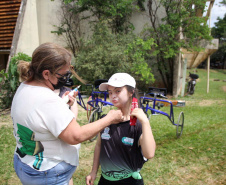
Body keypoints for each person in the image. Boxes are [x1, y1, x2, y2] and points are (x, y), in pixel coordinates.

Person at [11, 42, 123, 185]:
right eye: (63, 74)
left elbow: (40, 117)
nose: (66, 78)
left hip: (26, 162)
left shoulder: (25, 86)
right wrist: (109, 118)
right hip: (47, 172)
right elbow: (76, 136)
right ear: (46, 74)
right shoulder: (48, 100)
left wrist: (62, 105)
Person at [86, 73, 156, 185]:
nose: (113, 95)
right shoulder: (106, 119)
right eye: (110, 92)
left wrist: (145, 122)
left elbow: (149, 154)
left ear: (131, 92)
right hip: (105, 180)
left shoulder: (138, 124)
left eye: (118, 91)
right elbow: (99, 145)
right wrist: (94, 172)